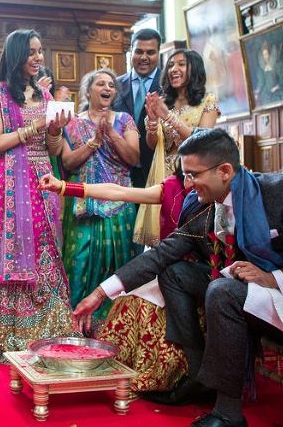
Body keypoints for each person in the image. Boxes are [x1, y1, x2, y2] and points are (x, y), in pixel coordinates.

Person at [73, 128, 283, 427]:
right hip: (247, 293)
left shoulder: (282, 193)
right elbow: (160, 255)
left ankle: (228, 414)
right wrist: (100, 294)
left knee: (222, 290)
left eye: (193, 175)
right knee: (174, 272)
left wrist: (275, 278)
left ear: (225, 171)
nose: (188, 185)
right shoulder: (203, 207)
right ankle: (198, 373)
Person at [41, 165, 190, 392]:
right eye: (187, 174)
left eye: (195, 174)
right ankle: (122, 375)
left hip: (197, 278)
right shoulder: (172, 188)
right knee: (126, 303)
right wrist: (63, 187)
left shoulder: (215, 196)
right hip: (166, 266)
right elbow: (119, 192)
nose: (191, 181)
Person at [0, 29, 73, 359]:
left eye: (40, 52)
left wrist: (55, 129)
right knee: (18, 250)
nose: (38, 58)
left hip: (44, 180)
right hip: (10, 184)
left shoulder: (45, 96)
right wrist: (33, 128)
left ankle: (48, 327)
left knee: (47, 248)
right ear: (17, 54)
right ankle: (13, 331)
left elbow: (55, 149)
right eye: (32, 52)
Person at [60, 69, 139, 314]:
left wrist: (111, 134)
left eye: (111, 85)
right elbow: (68, 163)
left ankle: (117, 321)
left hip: (119, 202)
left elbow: (134, 158)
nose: (107, 88)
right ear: (88, 90)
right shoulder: (73, 122)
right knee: (79, 262)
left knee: (118, 261)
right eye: (100, 83)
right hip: (84, 203)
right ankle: (75, 318)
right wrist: (94, 142)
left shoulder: (124, 119)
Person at [134, 48, 219, 247]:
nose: (174, 69)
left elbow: (202, 140)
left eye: (181, 64)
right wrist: (153, 125)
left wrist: (167, 117)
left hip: (190, 176)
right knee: (162, 241)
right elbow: (153, 144)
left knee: (186, 235)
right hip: (163, 174)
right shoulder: (164, 102)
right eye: (171, 65)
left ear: (194, 69)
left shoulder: (208, 101)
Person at [113, 28, 163, 188]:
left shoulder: (168, 86)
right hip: (118, 172)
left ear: (158, 53)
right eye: (139, 51)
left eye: (150, 52)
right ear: (131, 52)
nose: (144, 57)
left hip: (156, 171)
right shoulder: (115, 85)